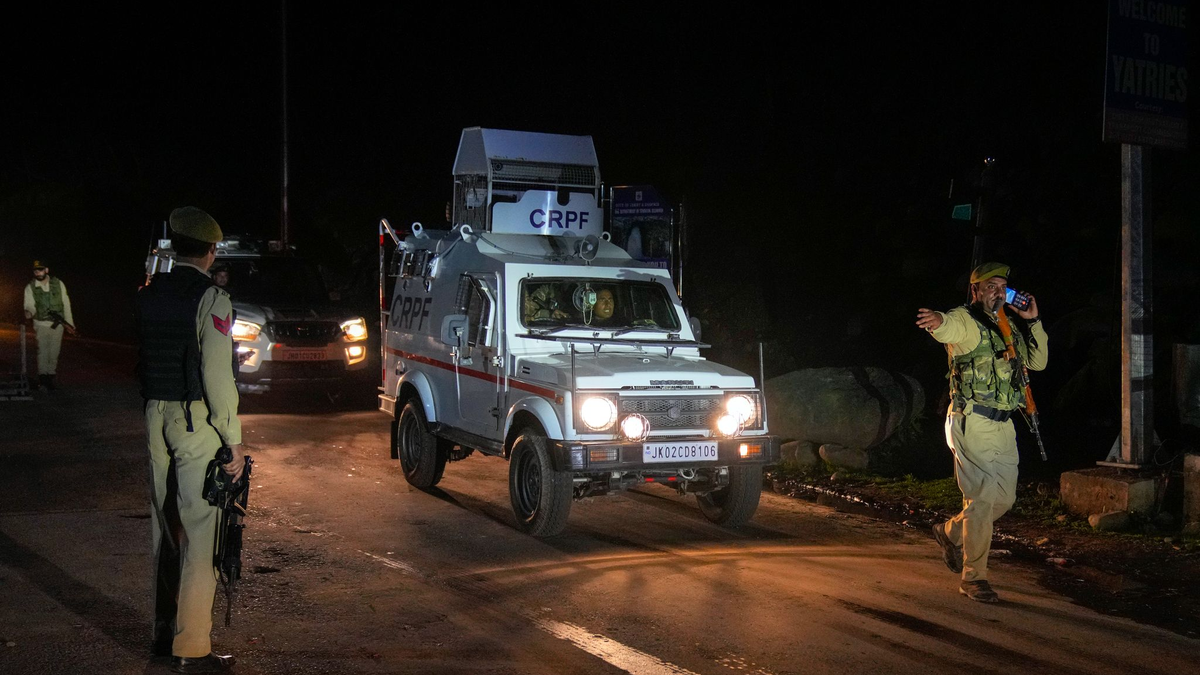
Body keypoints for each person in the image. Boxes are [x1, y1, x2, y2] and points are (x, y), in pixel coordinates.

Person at [136, 206, 244, 672]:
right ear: (211, 251)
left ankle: (164, 634)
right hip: (193, 420)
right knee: (201, 533)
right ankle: (191, 649)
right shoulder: (212, 299)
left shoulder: (150, 292)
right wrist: (233, 439)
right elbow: (218, 377)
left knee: (166, 528)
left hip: (154, 413)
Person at [915, 262, 1048, 603]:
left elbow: (1039, 362)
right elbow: (950, 327)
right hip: (970, 421)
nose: (998, 292)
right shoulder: (967, 321)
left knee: (1004, 499)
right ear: (975, 291)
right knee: (983, 498)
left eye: (1002, 286)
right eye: (990, 286)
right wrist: (938, 322)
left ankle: (949, 532)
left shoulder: (1007, 325)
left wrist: (1032, 320)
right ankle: (974, 578)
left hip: (1004, 425)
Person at [23, 260, 76, 390]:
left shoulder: (58, 284)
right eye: (35, 270)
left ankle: (51, 375)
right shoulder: (30, 287)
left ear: (46, 270)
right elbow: (29, 304)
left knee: (54, 351)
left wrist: (70, 324)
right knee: (42, 350)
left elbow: (66, 304)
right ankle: (43, 377)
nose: (38, 272)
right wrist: (29, 312)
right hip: (40, 323)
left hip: (57, 324)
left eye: (40, 270)